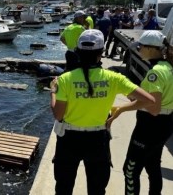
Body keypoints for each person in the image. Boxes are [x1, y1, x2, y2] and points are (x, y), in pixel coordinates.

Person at [50, 29, 155, 195]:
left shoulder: (65, 79)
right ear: (102, 53)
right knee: (97, 189)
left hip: (69, 140)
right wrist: (121, 109)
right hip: (98, 140)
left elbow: (58, 115)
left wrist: (53, 92)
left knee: (63, 187)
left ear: (78, 52)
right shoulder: (114, 78)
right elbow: (149, 100)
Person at [107, 30, 173, 195]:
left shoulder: (155, 73)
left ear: (151, 49)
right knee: (152, 166)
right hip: (165, 125)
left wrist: (122, 109)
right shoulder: (168, 67)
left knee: (130, 170)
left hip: (149, 127)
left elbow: (154, 107)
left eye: (141, 47)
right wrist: (138, 100)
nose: (138, 50)